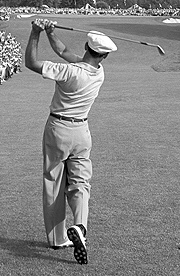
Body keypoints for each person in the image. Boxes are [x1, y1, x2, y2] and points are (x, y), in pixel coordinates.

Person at [25, 19, 117, 265]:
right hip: (82, 131)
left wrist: (36, 33)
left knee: (54, 182)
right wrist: (52, 33)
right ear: (104, 56)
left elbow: (31, 63)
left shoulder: (69, 72)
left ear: (87, 47)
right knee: (80, 183)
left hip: (58, 129)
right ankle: (80, 227)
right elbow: (64, 51)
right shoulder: (99, 73)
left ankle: (57, 238)